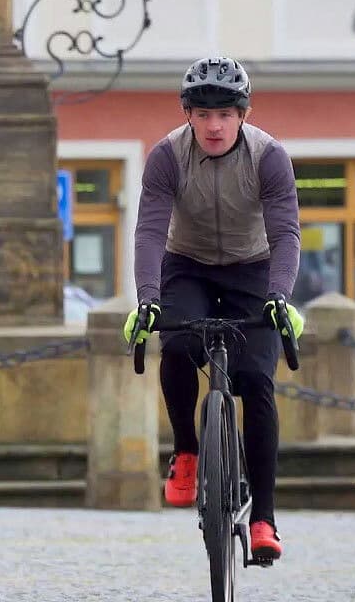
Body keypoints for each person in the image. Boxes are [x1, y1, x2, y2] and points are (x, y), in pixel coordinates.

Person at [123, 57, 303, 562]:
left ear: (243, 114)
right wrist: (148, 295)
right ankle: (186, 450)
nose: (214, 125)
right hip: (189, 264)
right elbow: (151, 231)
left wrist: (279, 293)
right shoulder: (166, 157)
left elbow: (285, 232)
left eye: (224, 113)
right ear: (187, 115)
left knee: (257, 383)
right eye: (203, 115)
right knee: (177, 343)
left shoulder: (269, 157)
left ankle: (265, 516)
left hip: (254, 268)